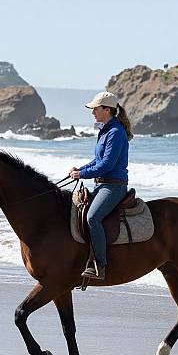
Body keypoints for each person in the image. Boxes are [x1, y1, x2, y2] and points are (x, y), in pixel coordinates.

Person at [69, 91, 133, 280]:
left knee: (92, 218)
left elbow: (107, 165)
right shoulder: (105, 130)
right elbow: (97, 160)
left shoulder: (116, 132)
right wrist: (79, 170)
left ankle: (100, 265)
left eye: (95, 109)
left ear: (107, 109)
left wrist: (82, 174)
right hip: (102, 185)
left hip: (113, 186)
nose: (93, 112)